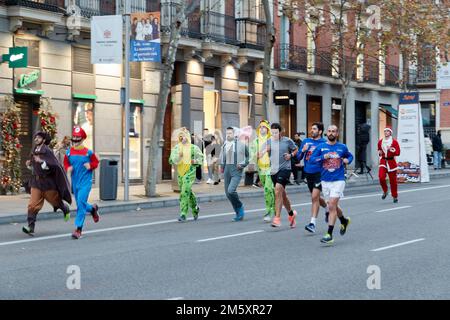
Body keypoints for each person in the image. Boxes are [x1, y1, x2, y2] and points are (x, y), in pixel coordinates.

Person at [22, 131, 72, 236]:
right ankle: (30, 227)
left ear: (43, 140)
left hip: (48, 183)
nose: (36, 139)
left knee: (55, 201)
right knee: (32, 205)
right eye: (35, 137)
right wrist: (29, 165)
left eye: (38, 138)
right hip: (36, 182)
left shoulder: (48, 151)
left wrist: (42, 162)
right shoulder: (34, 150)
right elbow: (34, 167)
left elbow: (54, 166)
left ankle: (65, 209)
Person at [310, 125, 353, 245]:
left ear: (337, 133)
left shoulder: (342, 147)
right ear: (326, 133)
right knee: (331, 205)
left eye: (333, 131)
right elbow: (312, 159)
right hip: (325, 180)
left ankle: (329, 234)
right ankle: (343, 220)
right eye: (329, 131)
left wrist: (347, 160)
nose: (331, 133)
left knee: (332, 205)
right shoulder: (321, 147)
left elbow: (350, 156)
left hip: (338, 179)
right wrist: (323, 157)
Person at [297, 122, 337, 234]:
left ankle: (312, 223)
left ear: (320, 131)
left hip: (320, 173)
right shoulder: (305, 141)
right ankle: (327, 208)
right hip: (308, 173)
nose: (312, 130)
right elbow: (298, 157)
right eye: (311, 128)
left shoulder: (325, 143)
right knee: (317, 198)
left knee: (314, 197)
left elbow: (331, 158)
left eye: (314, 129)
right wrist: (302, 151)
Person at [64, 126, 100, 239]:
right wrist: (68, 167)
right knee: (81, 204)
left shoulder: (88, 153)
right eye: (74, 137)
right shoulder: (68, 153)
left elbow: (96, 162)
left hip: (85, 182)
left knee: (80, 204)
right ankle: (93, 209)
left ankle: (78, 229)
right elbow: (66, 163)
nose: (75, 139)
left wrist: (90, 166)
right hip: (75, 183)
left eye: (77, 137)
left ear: (82, 139)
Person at [262, 123, 298, 228]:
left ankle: (277, 218)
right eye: (272, 132)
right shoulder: (269, 141)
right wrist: (264, 151)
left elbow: (296, 150)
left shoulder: (287, 141)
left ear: (280, 132)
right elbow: (260, 153)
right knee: (283, 195)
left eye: (276, 132)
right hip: (273, 170)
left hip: (285, 169)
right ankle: (291, 214)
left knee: (277, 189)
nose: (274, 134)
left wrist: (290, 155)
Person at [169, 127, 203, 222]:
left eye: (183, 136)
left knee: (184, 192)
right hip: (180, 173)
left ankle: (183, 214)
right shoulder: (177, 148)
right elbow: (171, 160)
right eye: (180, 136)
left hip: (190, 172)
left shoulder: (193, 148)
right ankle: (195, 209)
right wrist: (179, 155)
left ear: (187, 136)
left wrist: (194, 160)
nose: (181, 138)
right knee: (187, 192)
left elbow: (201, 158)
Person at [220, 127, 249, 222]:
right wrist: (221, 166)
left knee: (231, 190)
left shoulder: (241, 145)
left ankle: (240, 206)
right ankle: (238, 212)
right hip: (227, 171)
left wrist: (243, 164)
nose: (228, 135)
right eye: (227, 133)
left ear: (234, 134)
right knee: (228, 194)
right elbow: (222, 157)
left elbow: (249, 156)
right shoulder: (224, 144)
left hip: (236, 171)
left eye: (230, 133)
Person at [250, 120, 275, 222]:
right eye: (260, 127)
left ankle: (269, 211)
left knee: (267, 190)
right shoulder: (255, 141)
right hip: (261, 169)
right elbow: (252, 153)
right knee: (269, 190)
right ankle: (275, 206)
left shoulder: (272, 140)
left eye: (264, 127)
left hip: (271, 168)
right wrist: (254, 157)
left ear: (268, 129)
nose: (262, 129)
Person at [378, 127, 401, 203]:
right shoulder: (380, 142)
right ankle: (385, 190)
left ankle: (395, 196)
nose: (386, 132)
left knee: (393, 181)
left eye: (388, 131)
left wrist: (391, 149)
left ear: (390, 133)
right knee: (381, 177)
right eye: (385, 131)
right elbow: (379, 150)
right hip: (383, 161)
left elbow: (398, 152)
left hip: (391, 162)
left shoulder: (394, 142)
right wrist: (380, 153)